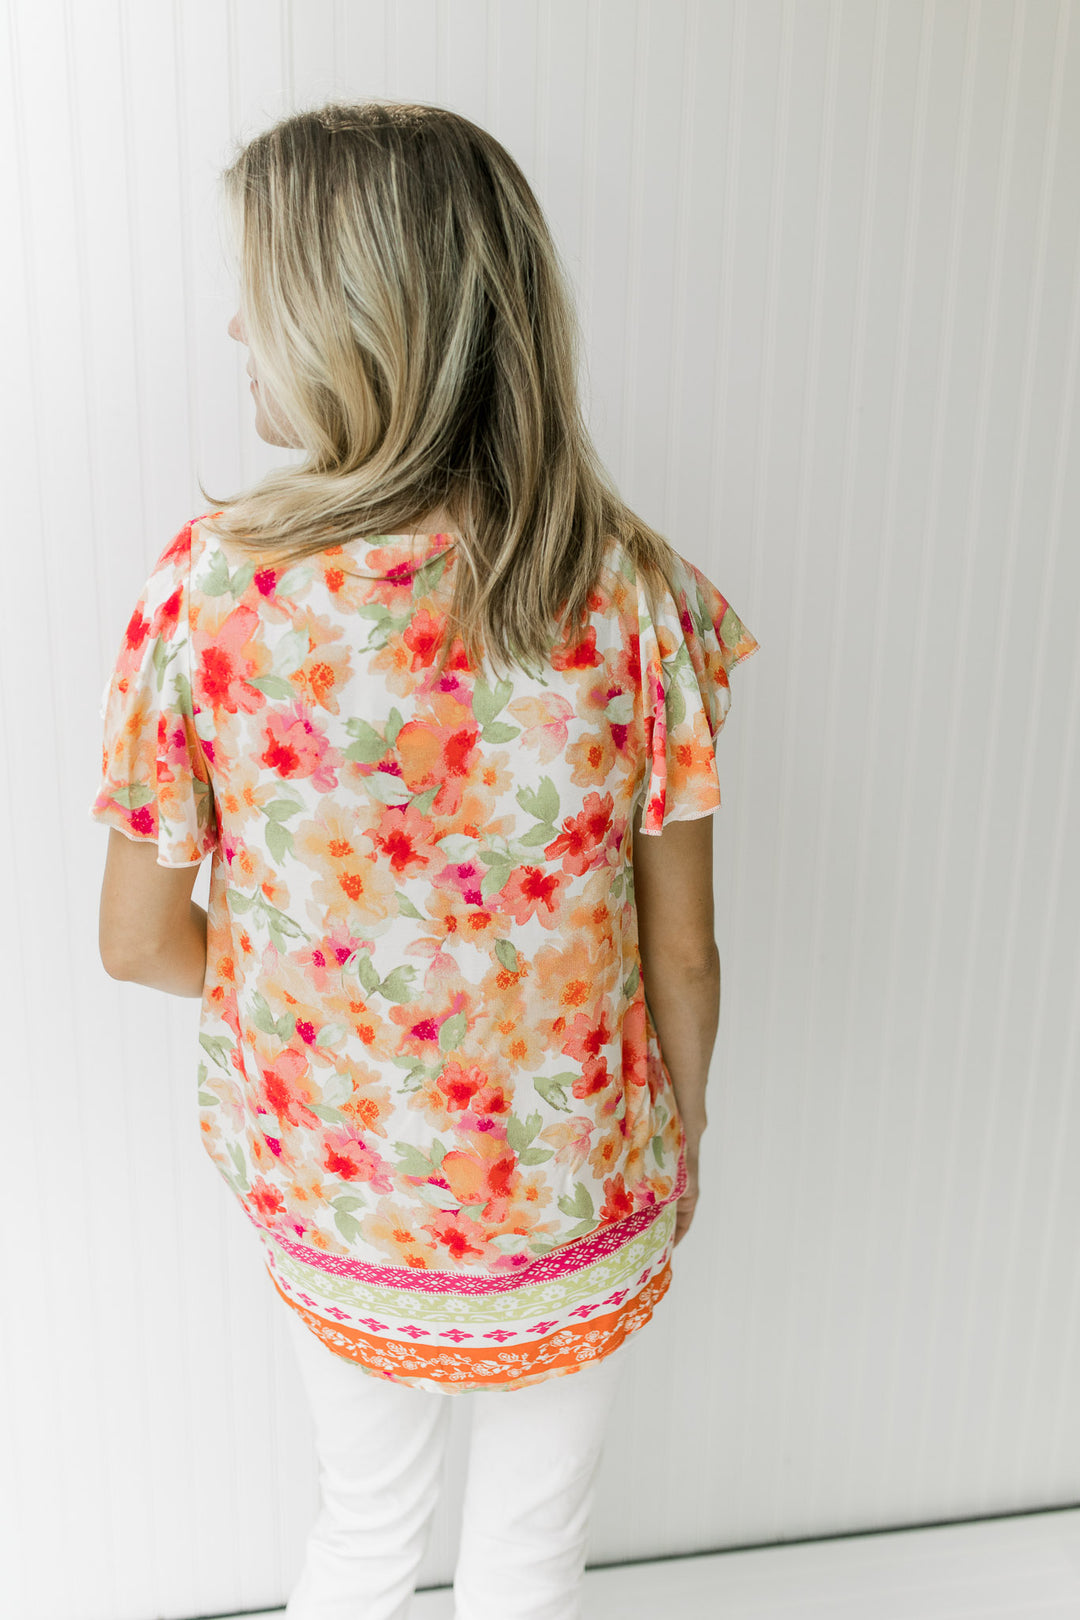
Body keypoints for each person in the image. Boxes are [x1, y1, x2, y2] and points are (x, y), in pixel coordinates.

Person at [89, 100, 759, 1620]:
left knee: (366, 1529)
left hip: (344, 1189)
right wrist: (685, 1120)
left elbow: (135, 940)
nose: (234, 325)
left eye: (258, 290)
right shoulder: (632, 588)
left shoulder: (212, 595)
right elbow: (687, 951)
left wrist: (332, 1023)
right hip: (579, 1182)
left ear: (346, 321)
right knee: (532, 1550)